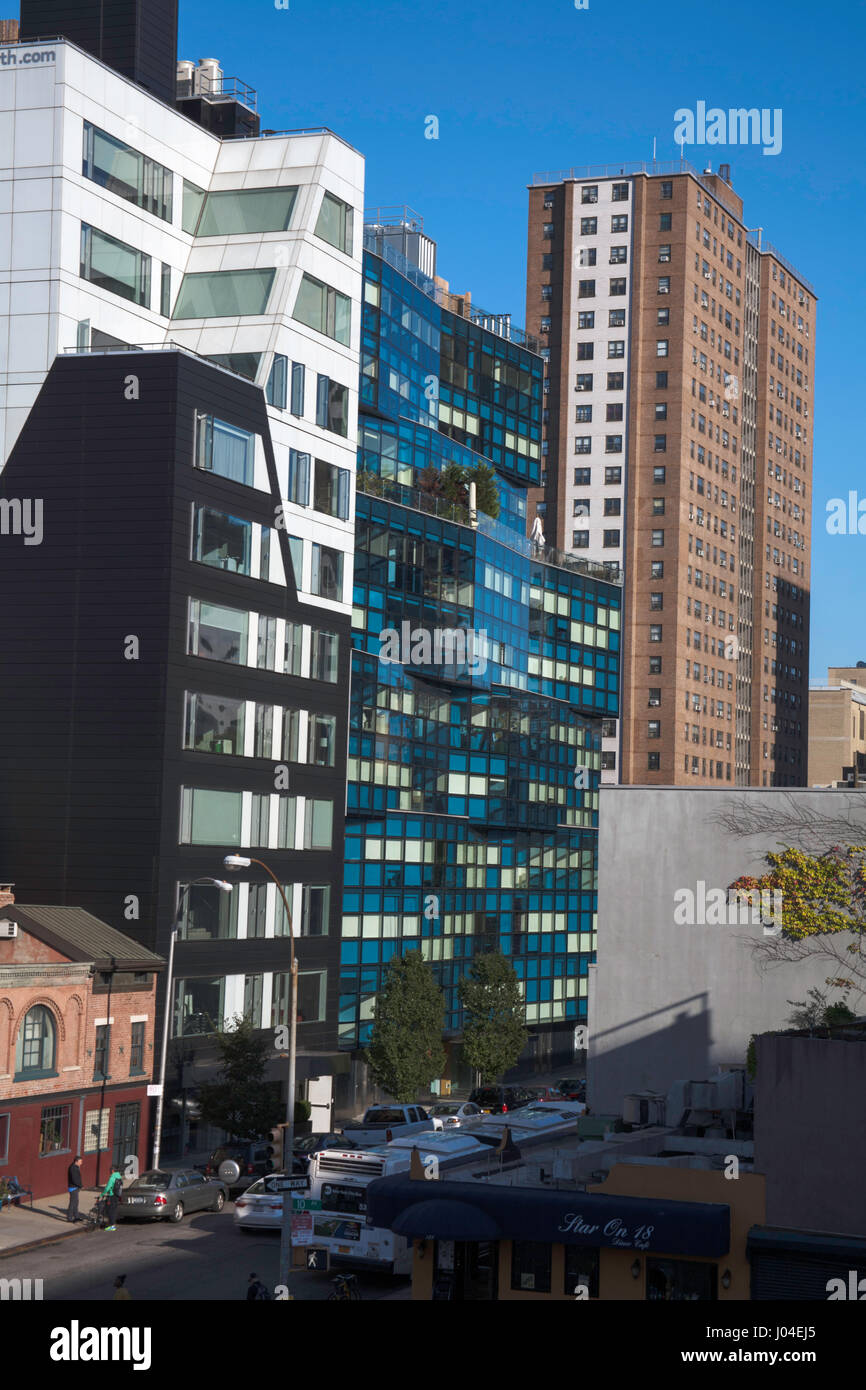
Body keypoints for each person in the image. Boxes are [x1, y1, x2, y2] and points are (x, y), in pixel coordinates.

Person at [66, 1156, 83, 1223]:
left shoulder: (75, 1167)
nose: (81, 1163)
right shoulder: (73, 1168)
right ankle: (69, 1217)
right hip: (73, 1188)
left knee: (76, 1203)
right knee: (72, 1203)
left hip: (75, 1187)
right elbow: (74, 1179)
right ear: (76, 1161)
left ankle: (76, 1217)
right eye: (80, 1161)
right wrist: (80, 1185)